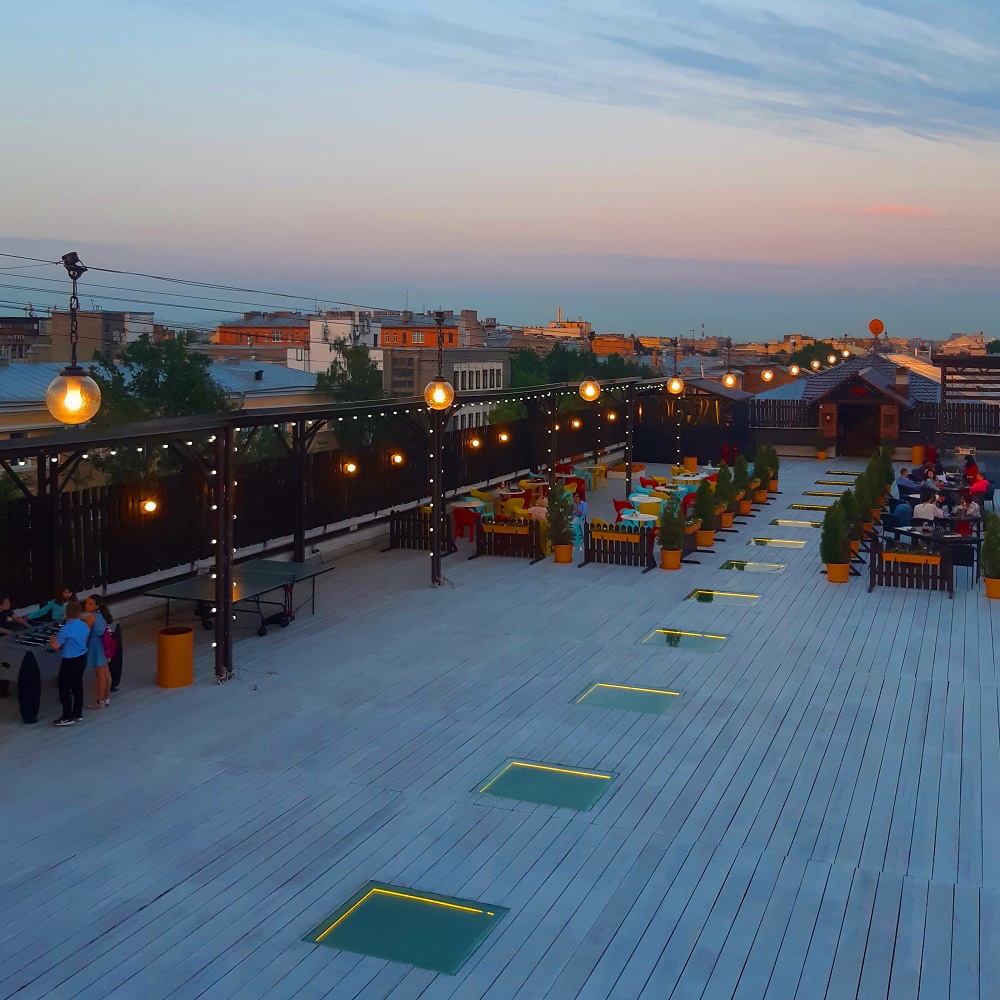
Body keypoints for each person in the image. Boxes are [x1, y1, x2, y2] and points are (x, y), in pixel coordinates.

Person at [50, 600, 90, 726]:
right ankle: (77, 713)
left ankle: (67, 716)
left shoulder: (65, 629)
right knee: (77, 686)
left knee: (64, 688)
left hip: (69, 661)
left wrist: (52, 639)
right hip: (82, 658)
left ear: (67, 614)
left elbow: (56, 646)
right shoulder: (85, 625)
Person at [84, 594, 112, 710]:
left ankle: (100, 701)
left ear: (96, 606)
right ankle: (106, 697)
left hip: (96, 646)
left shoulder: (91, 618)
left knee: (100, 674)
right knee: (106, 672)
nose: (87, 605)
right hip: (104, 644)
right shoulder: (103, 615)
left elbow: (85, 634)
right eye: (87, 603)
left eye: (90, 604)